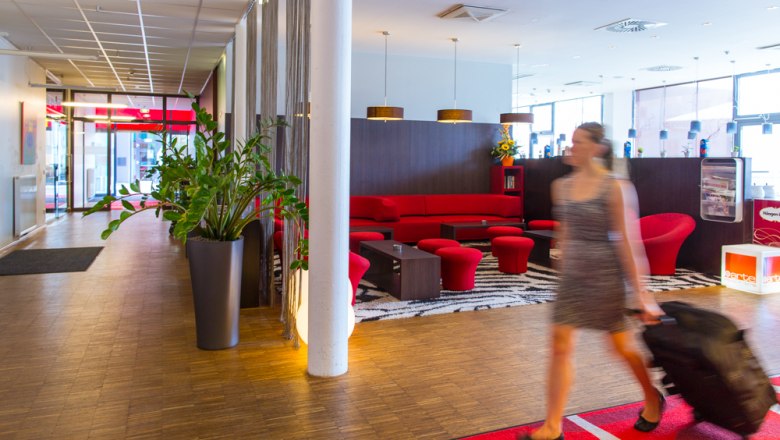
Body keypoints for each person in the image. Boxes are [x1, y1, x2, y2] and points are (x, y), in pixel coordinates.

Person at [522, 122, 664, 440]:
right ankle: (552, 426)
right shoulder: (562, 185)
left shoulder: (615, 187)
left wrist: (644, 294)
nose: (571, 147)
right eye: (571, 141)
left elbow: (629, 241)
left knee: (620, 348)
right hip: (573, 277)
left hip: (608, 276)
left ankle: (652, 396)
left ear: (598, 148)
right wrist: (559, 263)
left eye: (578, 142)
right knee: (560, 347)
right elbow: (566, 230)